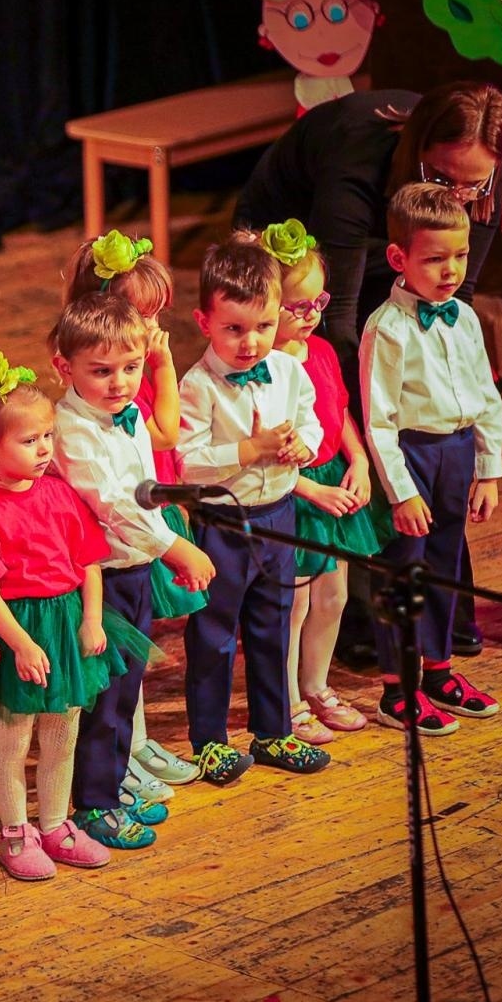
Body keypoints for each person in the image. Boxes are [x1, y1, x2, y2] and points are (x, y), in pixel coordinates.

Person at [235, 81, 502, 659]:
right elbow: (332, 316)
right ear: (417, 152)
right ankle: (356, 612)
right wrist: (365, 429)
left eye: (472, 184)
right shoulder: (355, 158)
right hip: (297, 253)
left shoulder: (479, 179)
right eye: (443, 180)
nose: (459, 196)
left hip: (393, 245)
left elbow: (454, 306)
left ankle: (444, 616)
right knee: (347, 410)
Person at [0, 350, 155, 874]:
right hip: (22, 629)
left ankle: (54, 825)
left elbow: (88, 561)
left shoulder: (60, 494)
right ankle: (15, 832)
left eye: (47, 436)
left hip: (66, 623)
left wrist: (92, 619)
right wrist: (21, 644)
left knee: (63, 727)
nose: (44, 449)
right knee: (16, 734)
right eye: (29, 440)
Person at [49, 296, 214, 849]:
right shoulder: (71, 428)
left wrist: (165, 547)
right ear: (63, 367)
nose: (120, 383)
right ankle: (93, 802)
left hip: (137, 565)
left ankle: (113, 783)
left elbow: (146, 490)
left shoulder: (128, 414)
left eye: (130, 367)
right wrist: (176, 549)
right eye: (101, 371)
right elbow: (115, 504)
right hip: (103, 578)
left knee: (126, 691)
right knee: (104, 697)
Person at [176, 236, 330, 785]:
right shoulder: (197, 386)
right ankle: (210, 741)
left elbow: (311, 421)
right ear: (204, 321)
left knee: (273, 626)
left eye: (263, 326)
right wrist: (251, 450)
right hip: (223, 524)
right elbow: (189, 463)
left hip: (278, 516)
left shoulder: (288, 371)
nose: (250, 343)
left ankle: (273, 730)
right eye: (234, 329)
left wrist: (300, 448)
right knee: (215, 633)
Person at [62, 230, 203, 795]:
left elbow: (150, 466)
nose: (150, 328)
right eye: (140, 314)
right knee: (110, 682)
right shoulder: (89, 405)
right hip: (108, 563)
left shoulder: (124, 396)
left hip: (140, 550)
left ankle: (126, 761)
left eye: (154, 317)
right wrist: (173, 544)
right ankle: (102, 788)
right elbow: (115, 502)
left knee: (131, 674)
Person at [361, 183, 502, 733]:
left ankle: (439, 669)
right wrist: (401, 491)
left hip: (457, 452)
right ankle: (397, 687)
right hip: (413, 457)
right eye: (436, 259)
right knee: (406, 572)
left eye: (461, 256)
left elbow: (485, 397)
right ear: (399, 258)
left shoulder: (464, 318)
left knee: (446, 568)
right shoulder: (388, 328)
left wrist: (488, 469)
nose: (451, 270)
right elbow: (379, 420)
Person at [260, 220, 381, 744]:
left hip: (334, 481)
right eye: (297, 306)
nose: (311, 315)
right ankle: (286, 701)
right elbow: (267, 452)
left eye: (318, 302)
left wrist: (358, 459)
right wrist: (311, 489)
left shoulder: (325, 352)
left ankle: (316, 684)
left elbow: (340, 413)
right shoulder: (263, 368)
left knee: (334, 598)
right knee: (296, 604)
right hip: (295, 490)